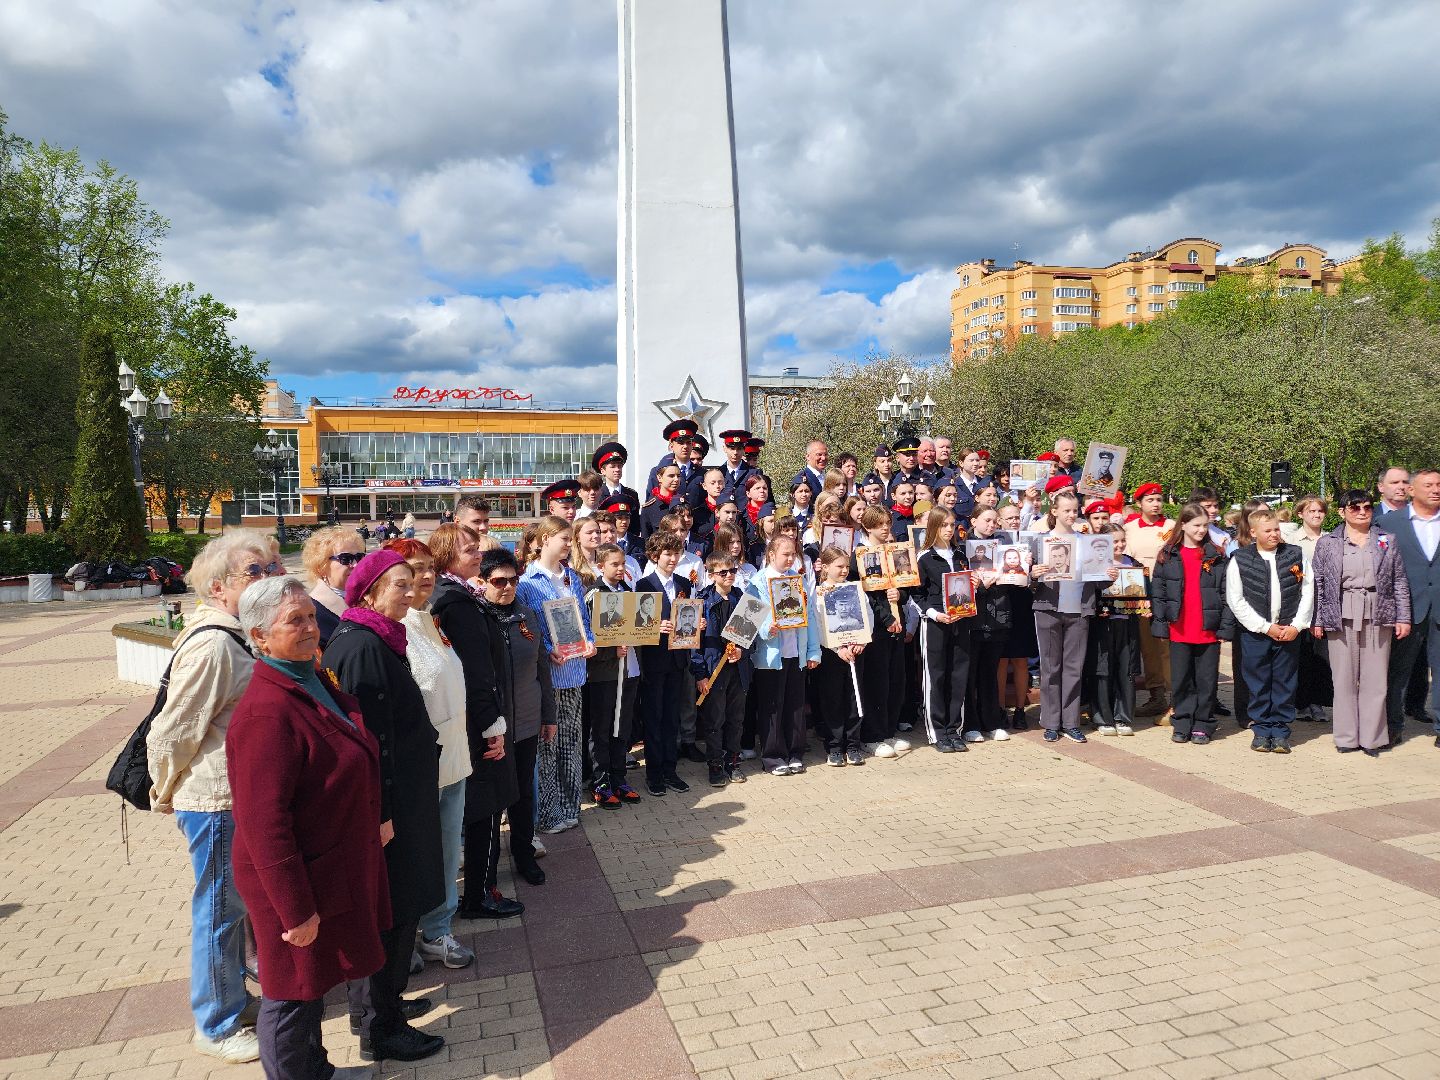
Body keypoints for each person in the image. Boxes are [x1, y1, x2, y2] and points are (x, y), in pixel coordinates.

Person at [229, 576, 388, 1079]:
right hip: (290, 877)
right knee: (292, 989)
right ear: (258, 636)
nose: (309, 628)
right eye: (293, 621)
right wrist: (294, 910)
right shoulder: (265, 713)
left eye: (311, 616)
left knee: (315, 980)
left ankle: (316, 1070)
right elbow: (263, 823)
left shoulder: (309, 676)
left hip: (328, 862)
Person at [147, 530, 280, 1066]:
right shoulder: (214, 645)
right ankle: (216, 1023)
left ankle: (231, 1001)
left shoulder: (238, 635)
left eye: (272, 569)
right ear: (219, 587)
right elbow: (171, 731)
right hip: (215, 801)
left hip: (236, 797)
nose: (269, 578)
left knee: (235, 908)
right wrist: (169, 791)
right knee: (220, 913)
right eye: (256, 571)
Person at [320, 550, 445, 1064]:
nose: (410, 592)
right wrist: (382, 814)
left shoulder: (378, 639)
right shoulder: (362, 647)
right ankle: (381, 1026)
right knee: (390, 916)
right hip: (389, 815)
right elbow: (369, 745)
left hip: (401, 805)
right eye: (398, 585)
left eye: (412, 583)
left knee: (397, 912)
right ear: (368, 592)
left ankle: (382, 1005)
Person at [382, 538, 475, 971]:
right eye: (411, 569)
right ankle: (414, 936)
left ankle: (438, 930)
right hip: (423, 768)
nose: (423, 577)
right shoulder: (392, 630)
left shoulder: (427, 621)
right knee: (421, 855)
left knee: (445, 852)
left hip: (454, 757)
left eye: (426, 568)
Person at [1313, 490, 1412, 756]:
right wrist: (1318, 619)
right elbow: (1319, 583)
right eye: (1355, 508)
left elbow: (1399, 580)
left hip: (1379, 612)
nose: (1362, 512)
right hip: (1341, 612)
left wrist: (1403, 616)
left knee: (1375, 679)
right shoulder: (1328, 543)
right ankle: (1346, 737)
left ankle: (1372, 738)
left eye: (1367, 507)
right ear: (1342, 511)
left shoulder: (1386, 540)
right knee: (1343, 678)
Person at [516, 516, 594, 834]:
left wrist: (589, 641)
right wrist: (548, 648)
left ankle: (570, 804)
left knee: (571, 742)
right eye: (564, 538)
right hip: (550, 676)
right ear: (546, 538)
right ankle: (549, 812)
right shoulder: (527, 582)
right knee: (548, 745)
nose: (568, 544)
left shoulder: (572, 577)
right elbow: (528, 628)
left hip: (575, 671)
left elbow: (583, 619)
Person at [1224, 508, 1314, 754]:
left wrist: (1297, 625)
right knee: (1258, 682)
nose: (1274, 534)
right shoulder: (1240, 559)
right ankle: (1262, 730)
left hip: (1288, 630)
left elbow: (1308, 591)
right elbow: (1236, 599)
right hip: (1256, 633)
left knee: (1285, 682)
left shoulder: (1295, 555)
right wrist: (1264, 627)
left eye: (1276, 529)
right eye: (1268, 530)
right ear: (1253, 532)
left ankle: (1281, 730)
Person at [1150, 504, 1228, 746]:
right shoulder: (1168, 554)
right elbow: (1159, 593)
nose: (1202, 530)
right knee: (1182, 678)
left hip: (1208, 628)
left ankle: (1203, 723)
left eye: (1205, 526)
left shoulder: (1215, 555)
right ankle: (1182, 722)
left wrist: (1225, 627)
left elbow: (1226, 592)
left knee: (1206, 680)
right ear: (1183, 524)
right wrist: (1161, 625)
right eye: (1196, 525)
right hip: (1180, 628)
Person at [745, 534, 820, 775]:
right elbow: (747, 619)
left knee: (795, 706)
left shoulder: (797, 581)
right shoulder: (757, 582)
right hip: (770, 658)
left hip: (795, 654)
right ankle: (773, 757)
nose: (789, 559)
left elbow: (810, 620)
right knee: (772, 707)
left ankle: (794, 752)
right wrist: (767, 628)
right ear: (771, 555)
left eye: (793, 554)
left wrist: (812, 651)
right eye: (785, 554)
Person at [1377, 468, 1440, 747]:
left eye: (1439, 484)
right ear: (1412, 490)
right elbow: (1381, 572)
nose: (1435, 489)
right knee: (1398, 672)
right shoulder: (1389, 524)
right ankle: (1393, 726)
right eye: (1428, 485)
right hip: (1406, 611)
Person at [635, 530, 695, 795]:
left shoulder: (684, 583)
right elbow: (639, 624)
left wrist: (697, 624)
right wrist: (655, 626)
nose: (672, 558)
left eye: (676, 553)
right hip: (654, 660)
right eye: (667, 554)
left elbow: (689, 618)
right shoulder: (644, 584)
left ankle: (671, 769)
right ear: (655, 556)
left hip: (678, 659)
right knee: (654, 715)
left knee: (672, 716)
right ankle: (654, 772)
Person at [584, 544, 643, 805]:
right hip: (603, 675)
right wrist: (610, 652)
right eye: (614, 564)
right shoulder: (594, 595)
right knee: (602, 729)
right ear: (601, 566)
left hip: (628, 672)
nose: (620, 569)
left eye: (622, 564)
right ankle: (601, 782)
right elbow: (590, 637)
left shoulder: (628, 593)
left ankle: (619, 778)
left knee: (622, 727)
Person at [917, 509, 974, 752]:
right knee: (936, 676)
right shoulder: (925, 558)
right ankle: (938, 732)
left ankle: (954, 729)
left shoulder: (961, 556)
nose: (949, 530)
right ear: (934, 528)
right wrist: (934, 614)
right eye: (943, 525)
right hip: (935, 623)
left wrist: (974, 586)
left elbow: (966, 589)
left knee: (958, 675)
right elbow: (917, 594)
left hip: (961, 622)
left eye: (952, 525)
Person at [693, 550, 752, 784]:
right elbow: (693, 644)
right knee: (714, 719)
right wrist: (700, 674)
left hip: (738, 668)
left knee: (736, 718)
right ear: (711, 574)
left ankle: (733, 761)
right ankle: (715, 764)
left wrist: (742, 650)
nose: (729, 575)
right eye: (723, 572)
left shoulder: (742, 598)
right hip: (713, 667)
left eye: (733, 570)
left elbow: (751, 635)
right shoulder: (703, 600)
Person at [1123, 482, 1176, 719]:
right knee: (1148, 646)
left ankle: (1175, 696)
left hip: (1166, 592)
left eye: (1158, 500)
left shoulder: (1173, 527)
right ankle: (1157, 696)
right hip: (1139, 592)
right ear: (1139, 503)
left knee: (1167, 646)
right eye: (1150, 500)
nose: (1156, 504)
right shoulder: (1129, 527)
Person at [810, 547, 865, 766]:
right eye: (839, 566)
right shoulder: (819, 593)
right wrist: (837, 649)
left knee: (853, 700)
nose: (844, 571)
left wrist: (861, 641)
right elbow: (819, 625)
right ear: (825, 567)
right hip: (832, 654)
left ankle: (853, 745)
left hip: (855, 652)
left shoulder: (855, 589)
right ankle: (834, 746)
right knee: (832, 701)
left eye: (846, 566)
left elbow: (865, 616)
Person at [1282, 495, 1334, 722]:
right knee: (1300, 655)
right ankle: (1299, 702)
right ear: (1300, 514)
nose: (1316, 515)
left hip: (1324, 606)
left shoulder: (1331, 540)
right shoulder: (1291, 540)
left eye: (1320, 511)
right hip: (1298, 604)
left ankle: (1317, 702)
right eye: (1311, 511)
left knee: (1321, 656)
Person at [1090, 524, 1143, 736]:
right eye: (1114, 542)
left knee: (1126, 669)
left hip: (1127, 623)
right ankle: (1103, 718)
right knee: (1103, 670)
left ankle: (1123, 717)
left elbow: (1142, 593)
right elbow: (1089, 593)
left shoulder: (1133, 563)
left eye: (1122, 540)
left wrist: (1145, 606)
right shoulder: (1095, 565)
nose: (1119, 545)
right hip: (1103, 623)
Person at [302, 525, 366, 648]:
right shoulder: (313, 610)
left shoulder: (368, 596)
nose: (356, 564)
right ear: (321, 566)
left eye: (359, 557)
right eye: (345, 559)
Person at [645, 418, 699, 495]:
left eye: (688, 442)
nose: (685, 446)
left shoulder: (701, 473)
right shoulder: (658, 472)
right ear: (671, 445)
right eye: (680, 443)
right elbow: (652, 502)